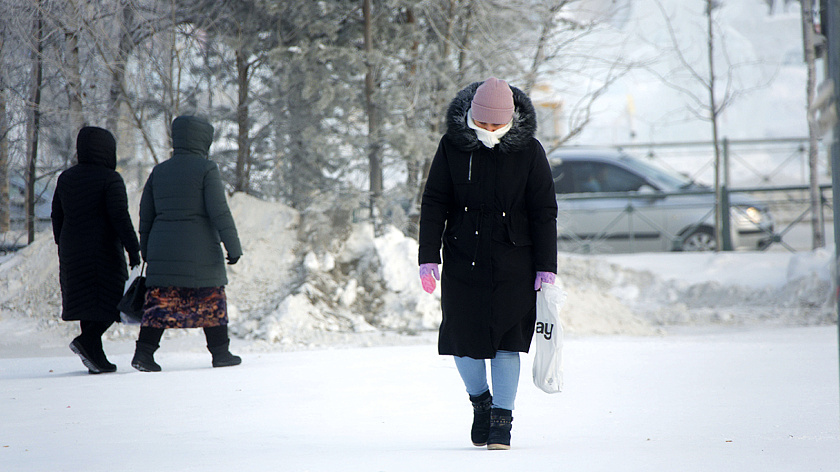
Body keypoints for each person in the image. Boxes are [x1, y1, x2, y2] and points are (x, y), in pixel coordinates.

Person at [418, 77, 558, 450]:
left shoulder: (529, 151)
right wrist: (428, 256)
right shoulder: (452, 146)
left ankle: (501, 419)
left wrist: (547, 266)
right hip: (464, 259)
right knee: (462, 342)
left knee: (506, 343)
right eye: (483, 124)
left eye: (497, 125)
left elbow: (544, 211)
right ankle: (481, 402)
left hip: (514, 260)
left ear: (511, 119)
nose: (490, 131)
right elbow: (434, 202)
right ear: (472, 117)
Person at [131, 115, 243, 372]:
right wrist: (233, 247)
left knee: (159, 303)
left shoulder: (159, 170)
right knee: (211, 299)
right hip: (200, 253)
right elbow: (219, 211)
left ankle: (144, 355)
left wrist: (146, 250)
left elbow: (146, 213)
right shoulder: (206, 169)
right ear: (204, 140)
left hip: (162, 250)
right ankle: (221, 353)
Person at [51, 126, 141, 374]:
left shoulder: (66, 178)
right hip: (102, 251)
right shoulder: (110, 179)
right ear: (107, 150)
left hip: (72, 250)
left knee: (85, 302)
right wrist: (133, 250)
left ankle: (95, 357)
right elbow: (120, 217)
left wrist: (63, 243)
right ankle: (87, 342)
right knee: (114, 300)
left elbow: (56, 215)